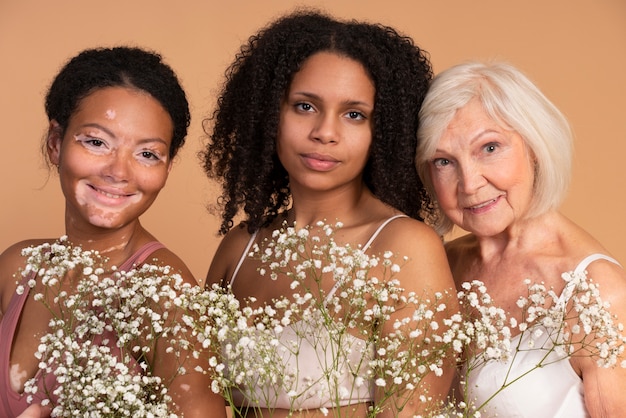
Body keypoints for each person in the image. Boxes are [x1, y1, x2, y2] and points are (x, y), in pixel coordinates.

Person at [201, 9, 457, 418]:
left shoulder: (406, 247)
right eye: (304, 106)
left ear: (384, 130)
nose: (325, 132)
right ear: (269, 113)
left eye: (354, 114)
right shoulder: (239, 249)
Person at [0, 47, 226, 417]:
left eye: (148, 154)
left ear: (167, 168)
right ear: (55, 144)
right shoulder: (16, 267)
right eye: (96, 142)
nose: (118, 172)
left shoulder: (166, 293)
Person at [415, 60, 626, 417]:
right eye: (444, 161)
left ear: (534, 146)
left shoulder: (598, 292)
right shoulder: (438, 263)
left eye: (490, 148)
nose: (470, 183)